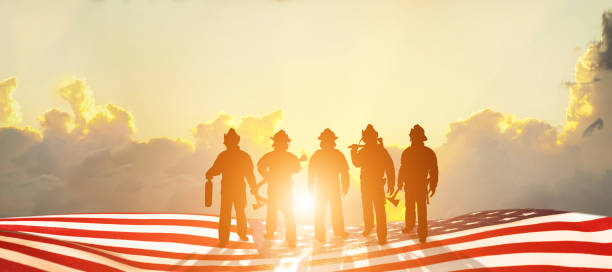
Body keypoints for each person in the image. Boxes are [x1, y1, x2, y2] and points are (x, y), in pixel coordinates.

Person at [205, 128, 257, 247]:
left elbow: (215, 170)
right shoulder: (243, 156)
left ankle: (225, 238)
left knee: (227, 213)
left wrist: (209, 173)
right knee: (238, 211)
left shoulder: (224, 155)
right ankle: (241, 233)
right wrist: (253, 187)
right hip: (237, 188)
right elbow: (249, 174)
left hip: (229, 188)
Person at [350, 124, 395, 245]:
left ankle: (378, 233)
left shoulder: (369, 151)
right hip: (371, 184)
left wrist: (354, 151)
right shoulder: (378, 150)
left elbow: (356, 163)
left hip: (372, 183)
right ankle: (374, 230)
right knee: (372, 208)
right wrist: (391, 183)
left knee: (374, 208)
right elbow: (389, 167)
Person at [257, 130, 301, 248]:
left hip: (277, 187)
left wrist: (267, 176)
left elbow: (260, 166)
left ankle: (272, 233)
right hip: (284, 188)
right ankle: (290, 238)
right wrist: (268, 176)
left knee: (273, 211)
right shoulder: (291, 157)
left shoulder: (271, 156)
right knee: (287, 213)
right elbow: (297, 169)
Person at [398, 124, 438, 243]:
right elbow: (403, 168)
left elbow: (433, 170)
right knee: (412, 207)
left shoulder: (426, 152)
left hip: (419, 184)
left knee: (419, 208)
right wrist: (400, 181)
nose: (414, 139)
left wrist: (433, 184)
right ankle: (411, 227)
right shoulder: (412, 152)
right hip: (412, 184)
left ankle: (421, 232)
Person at [308, 128, 350, 242]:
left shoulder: (320, 154)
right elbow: (311, 172)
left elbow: (344, 171)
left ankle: (329, 232)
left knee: (328, 209)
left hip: (329, 186)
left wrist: (346, 185)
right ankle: (324, 233)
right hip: (326, 186)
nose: (327, 142)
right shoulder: (335, 154)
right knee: (325, 209)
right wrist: (310, 186)